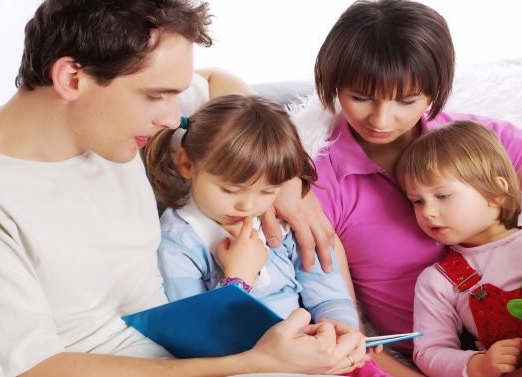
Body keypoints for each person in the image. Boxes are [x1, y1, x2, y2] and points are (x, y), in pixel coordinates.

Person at [0, 0, 365, 377]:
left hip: (203, 349)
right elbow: (31, 368)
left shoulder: (111, 125)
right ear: (72, 79)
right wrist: (252, 362)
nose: (171, 118)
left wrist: (288, 183)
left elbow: (220, 83)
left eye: (174, 95)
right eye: (156, 95)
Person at [297, 0, 522, 375]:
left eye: (406, 100)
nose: (381, 119)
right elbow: (349, 335)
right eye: (360, 97)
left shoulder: (482, 142)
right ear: (333, 84)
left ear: (433, 91)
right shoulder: (318, 183)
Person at [145, 94, 389, 377]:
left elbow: (327, 295)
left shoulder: (280, 223)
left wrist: (340, 328)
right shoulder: (178, 241)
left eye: (267, 191)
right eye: (230, 190)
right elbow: (197, 341)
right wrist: (239, 278)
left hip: (312, 357)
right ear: (187, 164)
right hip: (252, 366)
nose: (248, 206)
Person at [395, 120, 522, 377]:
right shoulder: (438, 281)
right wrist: (478, 364)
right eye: (417, 201)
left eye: (442, 196)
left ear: (497, 192)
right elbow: (430, 351)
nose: (428, 212)